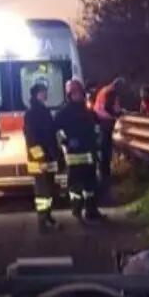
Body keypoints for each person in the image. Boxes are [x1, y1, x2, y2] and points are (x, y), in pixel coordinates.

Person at [55, 78, 103, 222]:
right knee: (76, 186)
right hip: (74, 156)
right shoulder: (63, 113)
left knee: (91, 186)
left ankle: (91, 211)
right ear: (70, 95)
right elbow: (56, 132)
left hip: (89, 155)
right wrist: (66, 142)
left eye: (81, 93)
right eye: (77, 93)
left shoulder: (88, 112)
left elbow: (97, 127)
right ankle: (76, 209)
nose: (80, 96)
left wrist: (97, 142)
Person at [23, 82, 63, 232]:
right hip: (40, 161)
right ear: (37, 94)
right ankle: (43, 221)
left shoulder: (43, 111)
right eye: (43, 91)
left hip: (48, 158)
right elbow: (32, 139)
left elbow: (50, 135)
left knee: (49, 191)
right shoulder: (32, 113)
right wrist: (40, 159)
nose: (46, 94)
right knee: (42, 193)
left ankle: (48, 217)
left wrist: (56, 154)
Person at [93, 77, 126, 193]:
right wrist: (117, 115)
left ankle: (103, 174)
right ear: (118, 86)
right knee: (106, 149)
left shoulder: (105, 89)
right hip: (106, 121)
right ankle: (105, 176)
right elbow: (108, 107)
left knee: (103, 148)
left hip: (100, 120)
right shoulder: (111, 92)